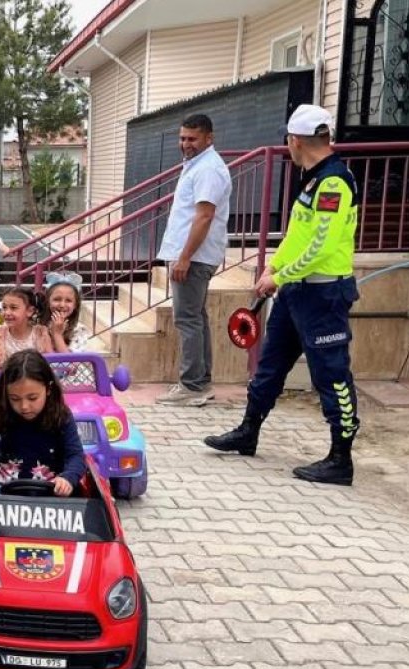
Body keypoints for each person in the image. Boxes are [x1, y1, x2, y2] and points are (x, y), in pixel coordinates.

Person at [204, 104, 361, 486]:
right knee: (270, 364)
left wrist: (282, 275)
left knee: (332, 373)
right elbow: (297, 236)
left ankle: (341, 458)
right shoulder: (311, 179)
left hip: (324, 294)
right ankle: (248, 431)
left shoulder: (334, 182)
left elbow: (321, 247)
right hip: (296, 291)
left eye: (287, 141)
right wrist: (274, 267)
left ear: (295, 140)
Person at [155, 114, 232, 407]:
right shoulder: (198, 166)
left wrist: (185, 257)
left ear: (208, 138)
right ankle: (200, 381)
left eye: (192, 139)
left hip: (195, 257)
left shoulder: (209, 169)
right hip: (193, 255)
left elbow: (204, 216)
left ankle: (192, 385)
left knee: (187, 319)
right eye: (182, 138)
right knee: (196, 318)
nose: (185, 144)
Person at [0, 350, 85, 496]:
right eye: (15, 398)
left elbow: (76, 456)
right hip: (2, 493)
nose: (24, 406)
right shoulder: (4, 414)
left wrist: (67, 478)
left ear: (49, 389)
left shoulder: (61, 417)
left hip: (49, 496)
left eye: (32, 398)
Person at [0, 287, 52, 372]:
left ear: (30, 311)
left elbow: (50, 363)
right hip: (8, 381)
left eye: (13, 308)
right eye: (4, 307)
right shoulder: (0, 334)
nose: (7, 312)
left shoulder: (41, 334)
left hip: (35, 381)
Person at [42, 272, 91, 352]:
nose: (62, 305)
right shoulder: (39, 326)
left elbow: (71, 363)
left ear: (75, 305)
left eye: (68, 300)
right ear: (48, 301)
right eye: (57, 299)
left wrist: (57, 334)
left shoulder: (80, 330)